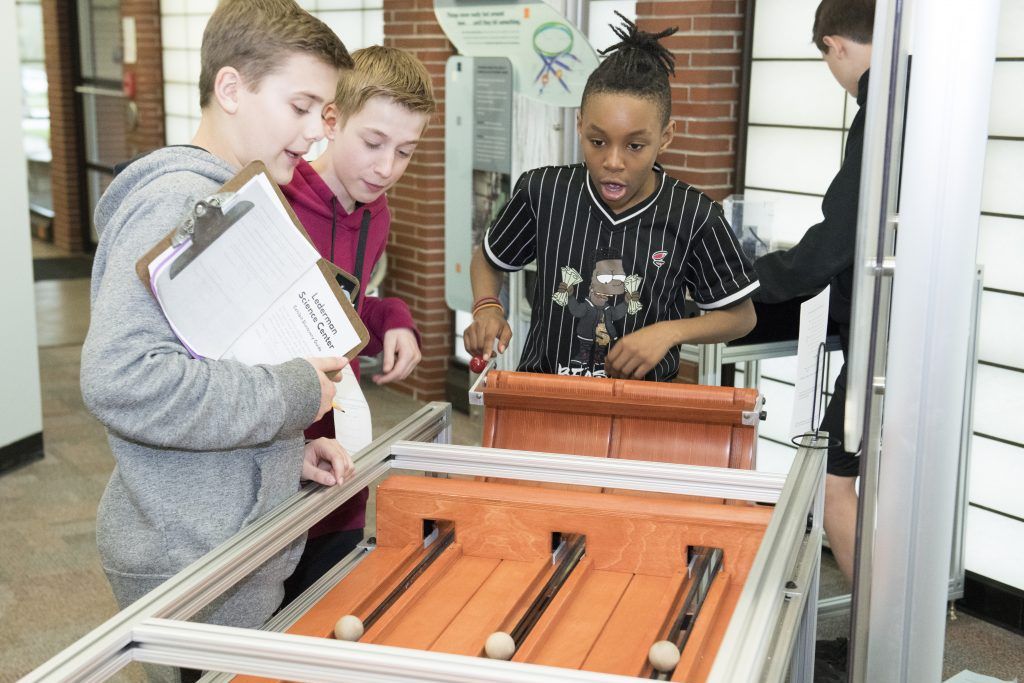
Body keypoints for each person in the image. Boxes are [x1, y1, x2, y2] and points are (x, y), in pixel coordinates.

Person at [79, 1, 354, 676]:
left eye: (323, 111)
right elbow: (124, 377)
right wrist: (290, 392)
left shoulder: (232, 195)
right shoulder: (178, 203)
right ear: (231, 89)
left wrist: (282, 453)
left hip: (222, 539)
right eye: (301, 105)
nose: (316, 132)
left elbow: (213, 358)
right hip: (188, 557)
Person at [463, 14, 759, 381]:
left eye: (635, 145)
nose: (613, 162)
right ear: (579, 124)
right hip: (545, 402)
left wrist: (669, 331)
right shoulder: (543, 192)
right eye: (597, 141)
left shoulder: (694, 215)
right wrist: (488, 307)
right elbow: (489, 259)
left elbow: (742, 317)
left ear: (665, 137)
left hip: (641, 413)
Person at [279, 46, 433, 602]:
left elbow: (340, 309)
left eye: (406, 152)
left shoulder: (378, 213)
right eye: (373, 143)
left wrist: (391, 316)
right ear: (331, 119)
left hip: (341, 457)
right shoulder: (278, 202)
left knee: (327, 610)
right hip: (271, 460)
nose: (387, 167)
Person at [752, 0, 874, 588]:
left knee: (832, 481)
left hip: (884, 339)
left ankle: (872, 647)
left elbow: (834, 244)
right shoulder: (914, 100)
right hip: (905, 329)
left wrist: (753, 277)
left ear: (835, 45)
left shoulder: (879, 113)